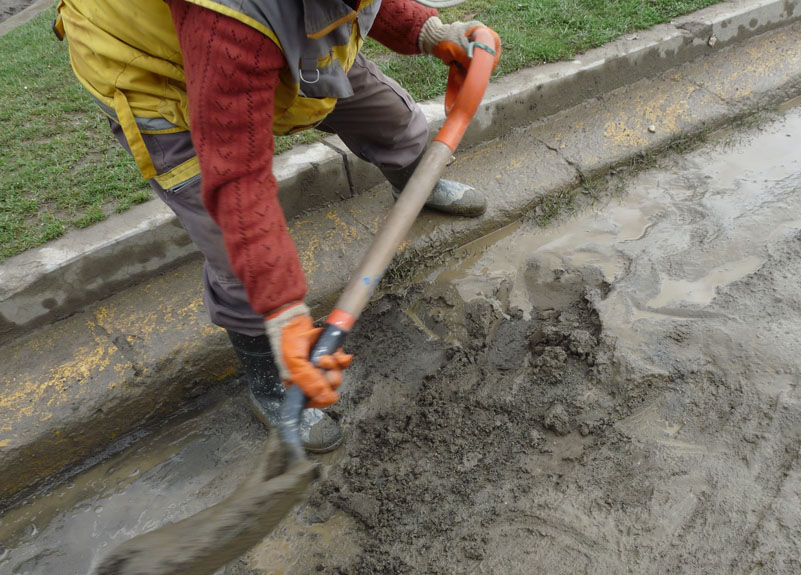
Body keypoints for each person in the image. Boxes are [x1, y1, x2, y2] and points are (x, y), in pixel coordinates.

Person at [53, 0, 500, 452]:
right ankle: (271, 382)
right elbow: (236, 177)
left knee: (389, 117)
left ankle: (416, 182)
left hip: (270, 36)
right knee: (233, 246)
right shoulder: (231, 18)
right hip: (158, 71)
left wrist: (426, 31)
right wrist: (283, 312)